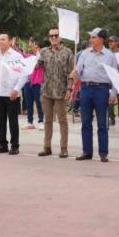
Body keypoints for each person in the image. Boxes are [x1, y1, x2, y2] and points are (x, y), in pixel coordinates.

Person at [72, 28, 118, 162]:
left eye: (93, 37)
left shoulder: (110, 56)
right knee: (85, 122)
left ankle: (103, 153)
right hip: (85, 89)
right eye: (90, 37)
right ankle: (86, 151)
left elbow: (114, 76)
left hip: (102, 90)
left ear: (101, 39)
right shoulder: (85, 53)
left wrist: (113, 93)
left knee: (102, 123)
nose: (91, 40)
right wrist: (74, 73)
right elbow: (79, 69)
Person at [36, 27, 75, 158]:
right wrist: (34, 61)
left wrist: (69, 89)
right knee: (47, 120)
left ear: (60, 37)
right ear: (49, 38)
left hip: (61, 91)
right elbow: (37, 66)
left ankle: (64, 148)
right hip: (46, 90)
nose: (53, 38)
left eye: (56, 35)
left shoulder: (67, 52)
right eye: (51, 36)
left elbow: (71, 73)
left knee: (62, 120)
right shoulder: (44, 51)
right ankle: (47, 147)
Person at [23, 38, 44, 129]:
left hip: (37, 84)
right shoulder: (29, 57)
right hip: (28, 83)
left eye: (37, 47)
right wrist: (14, 46)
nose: (35, 49)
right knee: (29, 103)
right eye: (34, 47)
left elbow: (39, 59)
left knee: (39, 103)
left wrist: (35, 48)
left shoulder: (41, 58)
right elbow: (21, 55)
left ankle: (41, 121)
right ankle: (30, 121)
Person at [107, 35, 119, 127]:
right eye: (109, 42)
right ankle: (111, 118)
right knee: (110, 100)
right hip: (109, 81)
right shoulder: (106, 53)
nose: (110, 43)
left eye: (112, 41)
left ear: (117, 42)